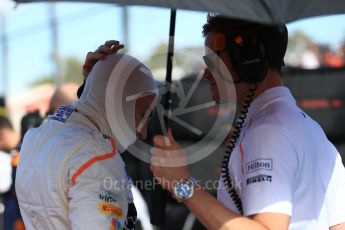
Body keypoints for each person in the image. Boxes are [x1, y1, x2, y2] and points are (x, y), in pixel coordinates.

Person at [148, 15, 345, 230]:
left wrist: (182, 185)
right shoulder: (310, 128)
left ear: (248, 59)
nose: (206, 74)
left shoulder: (267, 133)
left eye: (212, 62)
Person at [16, 49, 158, 229]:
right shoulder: (97, 156)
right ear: (119, 102)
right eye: (143, 114)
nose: (143, 132)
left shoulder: (36, 138)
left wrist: (92, 83)